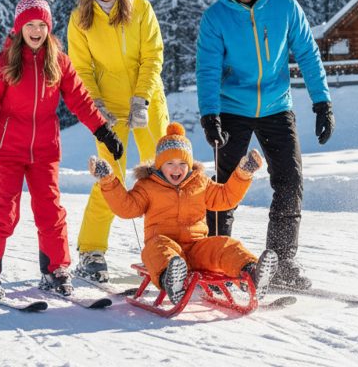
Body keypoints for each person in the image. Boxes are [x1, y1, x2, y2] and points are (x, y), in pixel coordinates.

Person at [0, 0, 124, 299]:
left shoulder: (58, 62)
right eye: (30, 25)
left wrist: (103, 131)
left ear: (48, 28)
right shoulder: (3, 62)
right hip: (8, 150)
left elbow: (80, 100)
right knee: (5, 211)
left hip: (45, 151)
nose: (36, 31)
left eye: (41, 25)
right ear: (19, 28)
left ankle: (55, 270)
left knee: (51, 211)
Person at [195, 0, 336, 289]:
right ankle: (215, 260)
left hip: (276, 106)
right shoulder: (215, 18)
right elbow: (207, 69)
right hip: (232, 108)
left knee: (290, 180)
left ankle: (282, 261)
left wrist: (322, 102)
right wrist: (210, 114)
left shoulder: (285, 7)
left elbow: (308, 54)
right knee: (223, 188)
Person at [68, 0, 170, 282]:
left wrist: (142, 98)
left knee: (166, 173)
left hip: (147, 101)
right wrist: (96, 104)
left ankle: (171, 246)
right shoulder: (80, 20)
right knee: (109, 174)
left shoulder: (140, 8)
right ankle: (91, 250)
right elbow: (81, 68)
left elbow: (152, 56)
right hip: (109, 107)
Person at [88, 122, 278, 303]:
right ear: (159, 164)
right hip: (163, 244)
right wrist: (108, 181)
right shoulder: (147, 186)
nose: (177, 168)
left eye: (182, 163)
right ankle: (172, 280)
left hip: (197, 247)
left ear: (189, 164)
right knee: (157, 251)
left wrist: (242, 175)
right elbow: (127, 208)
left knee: (224, 245)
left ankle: (252, 273)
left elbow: (225, 197)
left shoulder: (200, 182)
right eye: (170, 162)